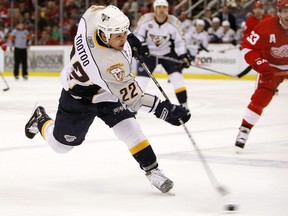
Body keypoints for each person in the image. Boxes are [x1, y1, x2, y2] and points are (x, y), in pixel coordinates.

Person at [24, 5, 190, 193]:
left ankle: (152, 171)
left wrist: (130, 37)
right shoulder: (107, 64)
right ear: (104, 35)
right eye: (118, 36)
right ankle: (40, 120)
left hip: (106, 93)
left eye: (124, 33)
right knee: (61, 146)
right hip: (79, 98)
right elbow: (134, 100)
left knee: (130, 129)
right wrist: (164, 110)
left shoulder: (91, 19)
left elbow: (102, 9)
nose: (123, 38)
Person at [234, 0, 288, 153]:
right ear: (278, 12)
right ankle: (244, 130)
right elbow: (248, 48)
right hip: (271, 68)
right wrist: (261, 64)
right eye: (284, 11)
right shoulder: (265, 26)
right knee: (260, 98)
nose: (287, 15)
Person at [133, 0, 191, 111]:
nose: (161, 10)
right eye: (158, 7)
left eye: (164, 7)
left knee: (177, 78)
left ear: (167, 9)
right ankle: (133, 107)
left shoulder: (174, 22)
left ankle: (184, 106)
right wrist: (143, 45)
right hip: (149, 53)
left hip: (167, 53)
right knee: (141, 80)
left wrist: (183, 55)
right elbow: (138, 35)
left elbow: (179, 42)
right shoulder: (146, 19)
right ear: (154, 9)